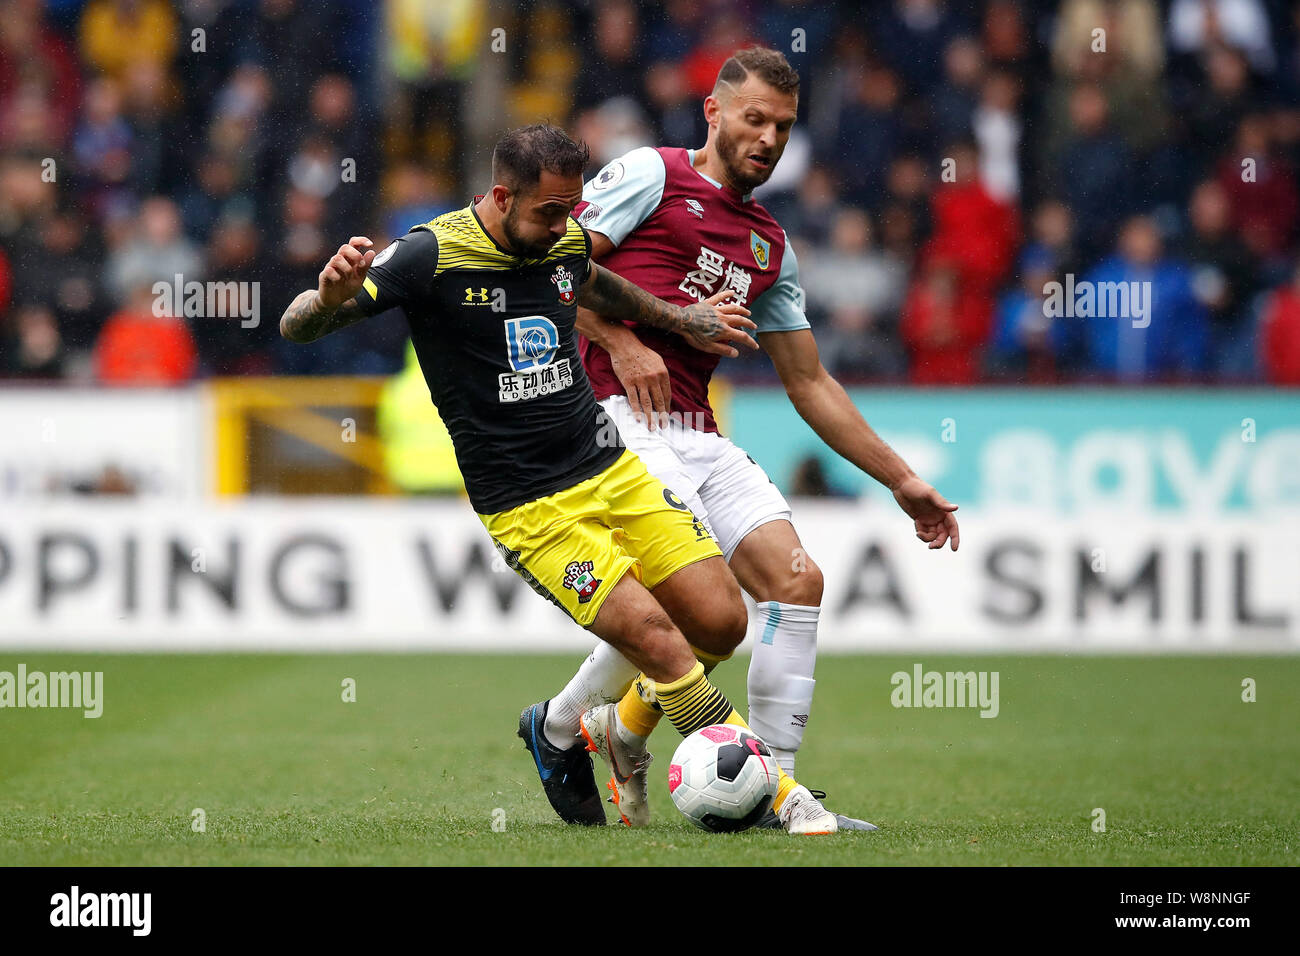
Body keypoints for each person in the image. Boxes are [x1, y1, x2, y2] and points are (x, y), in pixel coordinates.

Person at [279, 123, 840, 835]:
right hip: (529, 507)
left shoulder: (562, 239)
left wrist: (680, 318)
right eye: (548, 211)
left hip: (609, 466)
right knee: (660, 642)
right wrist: (328, 297)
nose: (564, 226)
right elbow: (296, 327)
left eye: (571, 209)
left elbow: (595, 281)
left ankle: (559, 729)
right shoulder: (430, 253)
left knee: (723, 621)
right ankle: (781, 796)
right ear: (501, 196)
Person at [524, 48, 960, 831]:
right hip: (615, 419)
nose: (767, 138)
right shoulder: (652, 175)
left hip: (697, 432)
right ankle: (573, 727)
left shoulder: (769, 243)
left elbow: (810, 382)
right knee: (713, 615)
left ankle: (757, 781)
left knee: (797, 583)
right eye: (753, 118)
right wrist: (621, 341)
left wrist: (900, 479)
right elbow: (551, 270)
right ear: (714, 114)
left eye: (783, 127)